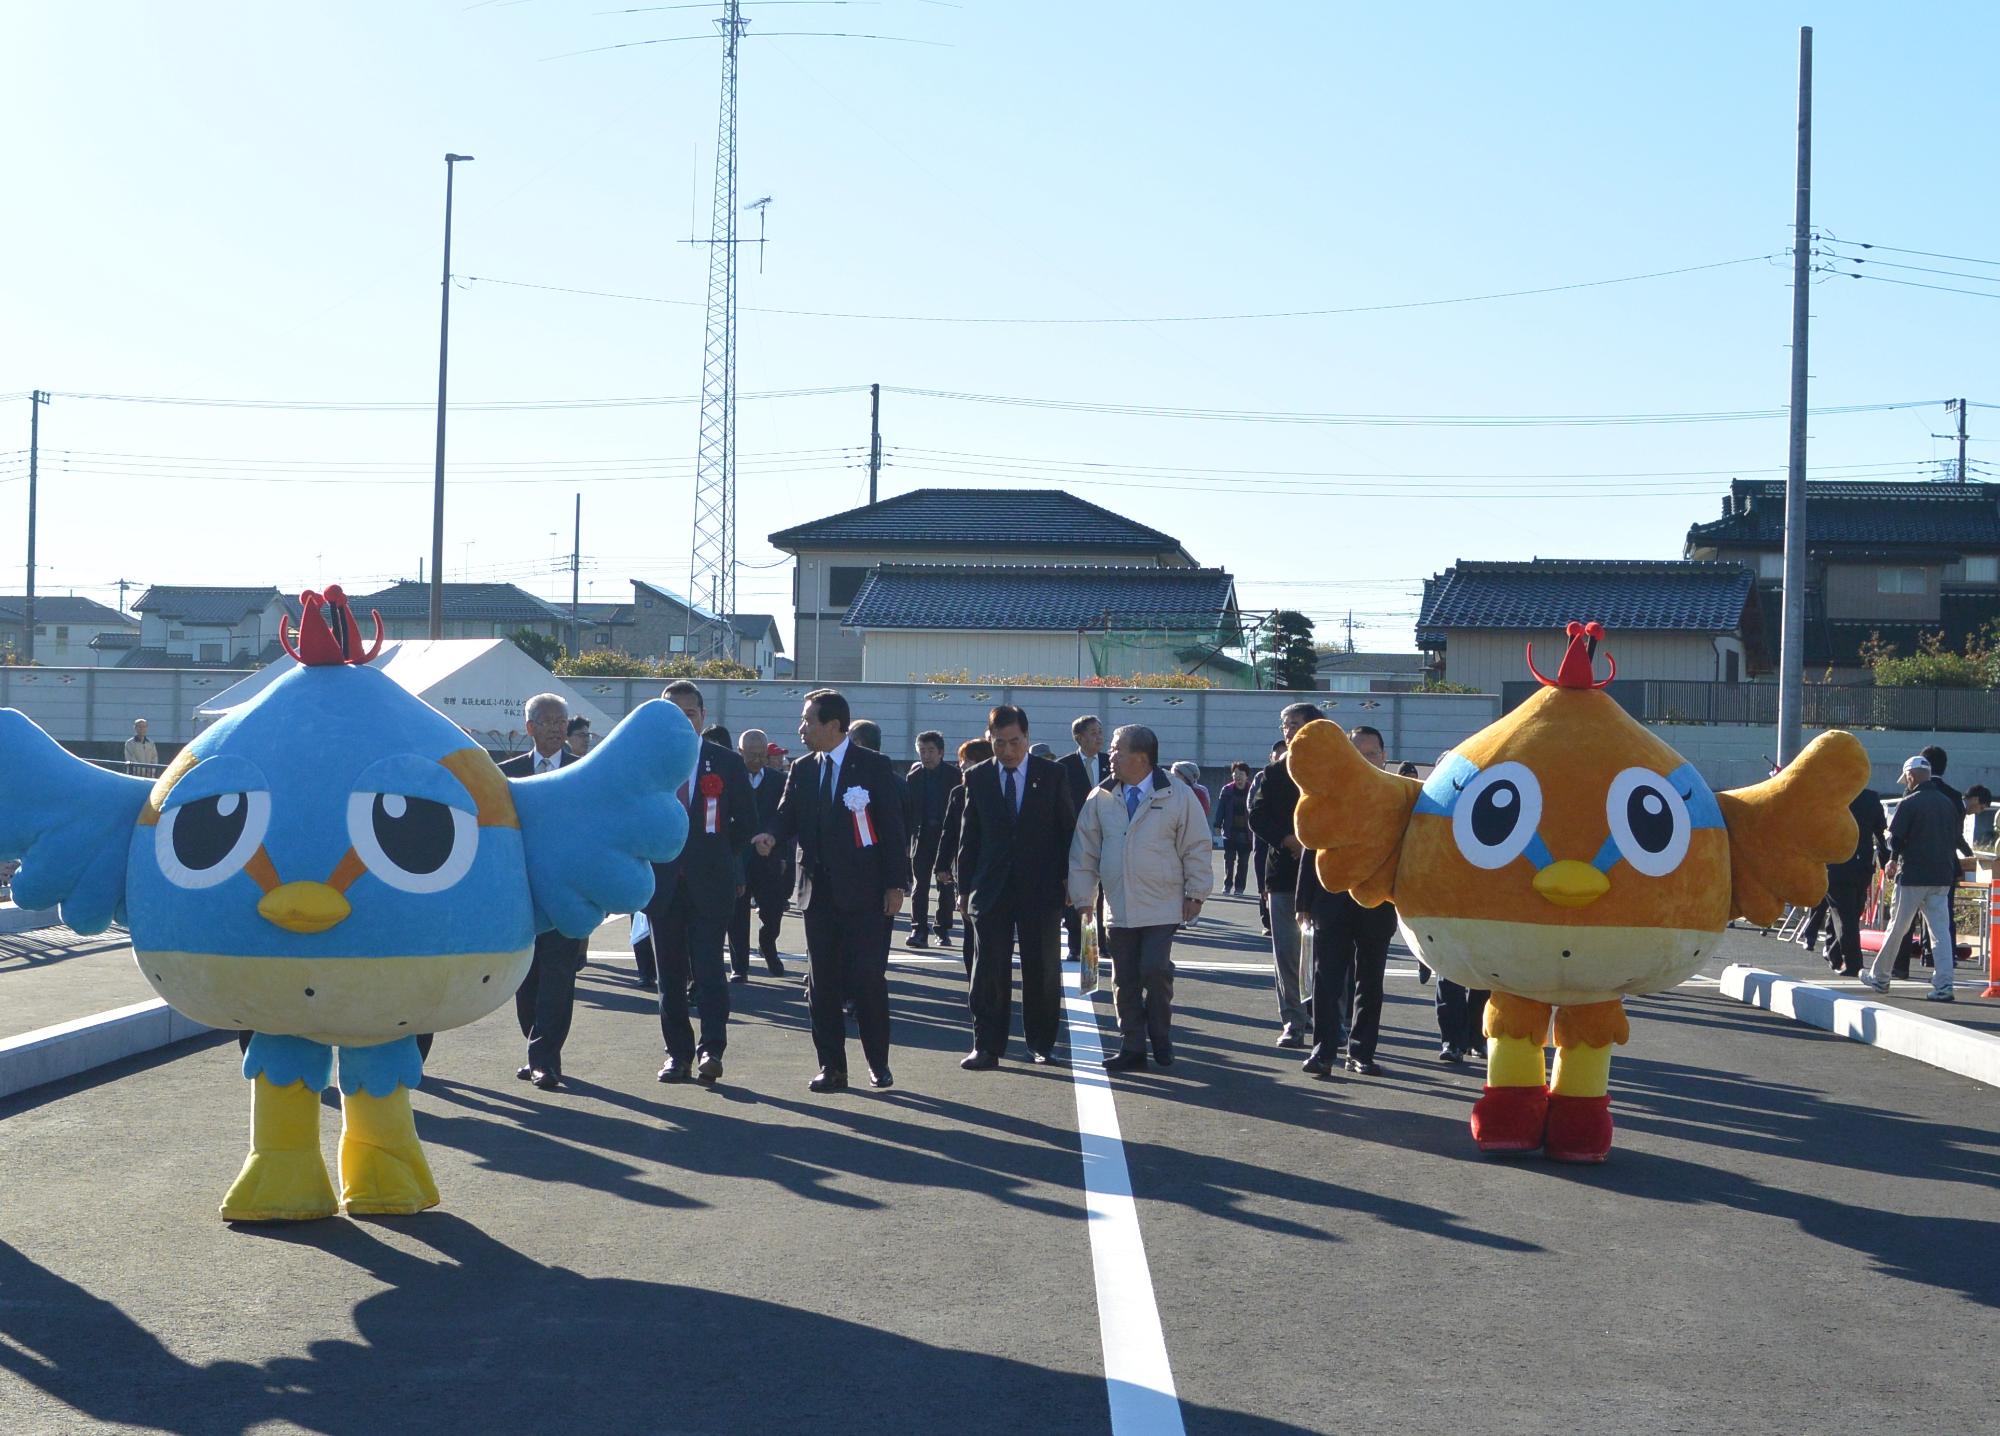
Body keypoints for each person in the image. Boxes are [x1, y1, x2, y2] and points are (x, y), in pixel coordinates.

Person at [753, 688, 910, 1092]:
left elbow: (893, 827)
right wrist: (770, 835)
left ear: (834, 726)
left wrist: (896, 883)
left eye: (808, 721)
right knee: (820, 983)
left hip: (867, 893)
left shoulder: (873, 766)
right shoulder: (803, 768)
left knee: (867, 979)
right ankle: (832, 1067)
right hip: (816, 893)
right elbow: (787, 814)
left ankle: (878, 1062)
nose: (801, 728)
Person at [1068, 724, 1212, 1071]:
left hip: (1162, 903)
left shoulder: (1176, 794)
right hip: (1117, 905)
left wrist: (1196, 892)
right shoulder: (1100, 796)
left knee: (1155, 969)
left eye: (1116, 750)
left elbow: (1196, 845)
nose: (1110, 756)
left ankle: (1160, 1035)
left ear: (1142, 757)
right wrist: (1083, 899)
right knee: (1124, 977)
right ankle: (1132, 1044)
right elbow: (1084, 851)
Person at [644, 681, 755, 1085]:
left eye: (689, 714)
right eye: (673, 714)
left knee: (709, 971)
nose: (682, 721)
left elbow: (745, 821)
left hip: (711, 884)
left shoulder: (725, 762)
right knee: (669, 977)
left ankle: (712, 1048)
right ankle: (678, 1055)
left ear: (703, 716)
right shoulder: (646, 762)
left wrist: (719, 855)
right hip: (662, 884)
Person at [955, 704, 1077, 1068]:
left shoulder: (1052, 775)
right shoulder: (977, 777)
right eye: (999, 743)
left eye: (1015, 742)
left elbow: (1067, 830)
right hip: (990, 887)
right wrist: (963, 889)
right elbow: (969, 837)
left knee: (1041, 968)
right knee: (988, 969)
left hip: (1040, 887)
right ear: (988, 738)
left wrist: (1073, 877)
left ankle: (1041, 1043)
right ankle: (987, 1045)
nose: (1008, 751)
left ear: (1027, 737)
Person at [1295, 724, 1401, 1076]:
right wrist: (1303, 903)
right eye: (1357, 752)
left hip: (1378, 903)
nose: (1365, 759)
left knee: (1370, 983)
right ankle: (1323, 1050)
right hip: (1332, 900)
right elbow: (1312, 848)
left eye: (1371, 753)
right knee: (1326, 978)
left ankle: (1361, 1052)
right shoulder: (1331, 793)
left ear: (1384, 757)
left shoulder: (1399, 796)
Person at [497, 693, 588, 1091]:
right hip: (518, 895)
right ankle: (534, 1044)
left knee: (559, 974)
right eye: (547, 720)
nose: (555, 727)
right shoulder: (505, 774)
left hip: (566, 893)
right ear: (529, 727)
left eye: (561, 721)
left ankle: (546, 1058)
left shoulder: (583, 771)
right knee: (526, 978)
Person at [1860, 754, 1962, 1002]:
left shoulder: (1910, 802)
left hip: (1913, 875)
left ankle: (1881, 977)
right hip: (1941, 876)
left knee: (1898, 927)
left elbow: (1895, 840)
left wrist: (1892, 854)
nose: (1906, 782)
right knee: (1940, 933)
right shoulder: (1947, 803)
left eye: (1906, 777)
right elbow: (1955, 838)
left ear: (1911, 775)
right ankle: (1944, 984)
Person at [1248, 703, 1321, 1047]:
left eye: (1294, 724)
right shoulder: (1274, 774)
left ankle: (1331, 1022)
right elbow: (1257, 817)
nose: (1288, 730)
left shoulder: (1332, 771)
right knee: (1287, 955)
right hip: (1283, 875)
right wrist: (1286, 839)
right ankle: (1294, 1020)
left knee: (1328, 954)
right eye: (1284, 725)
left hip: (1327, 876)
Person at [730, 727, 790, 979]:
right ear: (739, 752)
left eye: (761, 755)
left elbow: (785, 818)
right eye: (751, 755)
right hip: (739, 858)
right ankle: (739, 966)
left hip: (769, 857)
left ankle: (768, 946)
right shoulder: (730, 779)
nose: (757, 760)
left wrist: (779, 849)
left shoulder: (778, 780)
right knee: (737, 916)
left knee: (773, 911)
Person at [1056, 716, 1112, 961]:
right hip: (1074, 837)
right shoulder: (1062, 766)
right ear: (1078, 737)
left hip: (1108, 836)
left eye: (1100, 732)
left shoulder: (1112, 763)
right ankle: (1077, 944)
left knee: (1105, 892)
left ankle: (1102, 942)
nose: (1098, 737)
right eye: (1092, 732)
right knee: (1077, 891)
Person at [1825, 783, 1890, 978]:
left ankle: (1852, 963)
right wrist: (1886, 861)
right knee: (1850, 913)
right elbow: (1880, 833)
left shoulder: (1831, 796)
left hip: (1836, 864)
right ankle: (1834, 953)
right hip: (1862, 866)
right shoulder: (1871, 798)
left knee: (1843, 915)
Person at [904, 730, 961, 950]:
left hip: (945, 836)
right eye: (922, 751)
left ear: (941, 752)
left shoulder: (953, 775)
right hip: (922, 835)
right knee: (920, 884)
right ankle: (918, 929)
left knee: (945, 883)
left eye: (930, 751)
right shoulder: (914, 776)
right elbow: (909, 811)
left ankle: (943, 929)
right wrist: (908, 840)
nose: (926, 756)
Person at [939, 738, 991, 978]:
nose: (962, 765)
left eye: (967, 759)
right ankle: (974, 977)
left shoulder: (997, 788)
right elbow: (949, 831)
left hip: (992, 866)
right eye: (961, 760)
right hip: (966, 868)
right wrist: (942, 864)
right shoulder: (958, 792)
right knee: (969, 926)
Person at [1249, 739, 1284, 935]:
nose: (1281, 756)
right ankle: (1267, 919)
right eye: (1277, 754)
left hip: (1292, 842)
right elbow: (1253, 809)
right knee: (1263, 876)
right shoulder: (1264, 776)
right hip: (1264, 837)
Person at [1212, 763, 1254, 895]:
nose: (1238, 777)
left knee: (1243, 862)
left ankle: (1240, 888)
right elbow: (1221, 809)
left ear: (1247, 776)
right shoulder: (1227, 790)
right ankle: (1227, 885)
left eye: (1241, 774)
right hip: (1230, 831)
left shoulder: (1253, 790)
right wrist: (1217, 825)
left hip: (1247, 833)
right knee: (1229, 860)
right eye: (1235, 774)